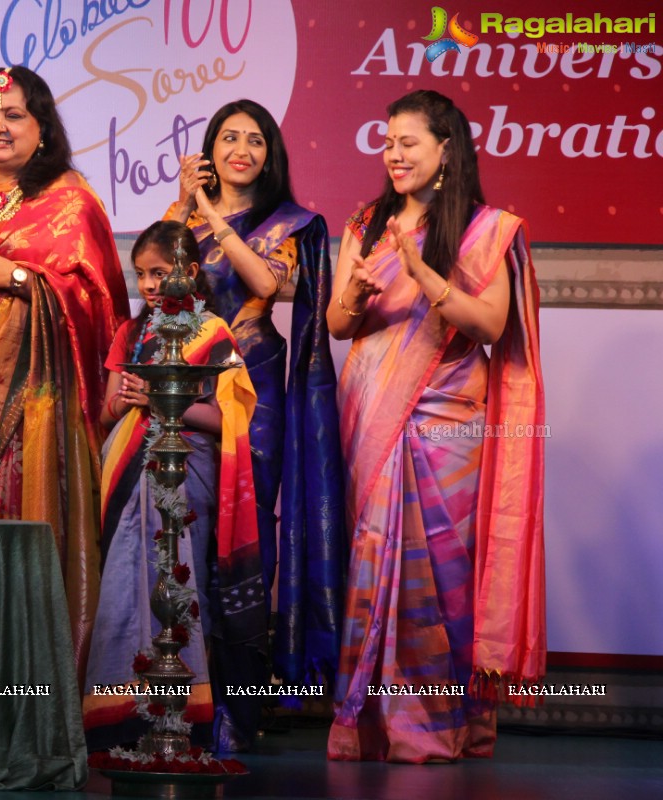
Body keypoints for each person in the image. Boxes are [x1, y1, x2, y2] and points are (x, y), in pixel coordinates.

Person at [326, 89, 546, 762]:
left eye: (408, 142)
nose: (394, 154)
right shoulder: (365, 222)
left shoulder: (487, 229)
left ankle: (439, 725)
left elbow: (491, 325)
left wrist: (423, 273)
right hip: (372, 417)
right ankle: (368, 725)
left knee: (443, 574)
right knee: (372, 558)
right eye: (388, 142)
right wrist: (355, 296)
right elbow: (337, 325)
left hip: (447, 425)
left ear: (446, 149)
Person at [0, 66, 130, 678]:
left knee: (13, 525)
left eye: (14, 115)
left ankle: (21, 679)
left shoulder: (69, 198)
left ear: (42, 130)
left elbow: (100, 303)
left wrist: (17, 278)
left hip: (29, 401)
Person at [168, 100, 346, 742]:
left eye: (255, 140)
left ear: (270, 154)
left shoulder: (289, 223)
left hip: (254, 393)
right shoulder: (182, 214)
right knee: (181, 532)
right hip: (186, 385)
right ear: (210, 149)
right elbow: (160, 290)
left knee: (243, 543)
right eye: (227, 138)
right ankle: (179, 701)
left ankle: (237, 712)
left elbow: (262, 283)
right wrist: (183, 204)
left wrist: (210, 213)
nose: (240, 149)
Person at [81, 220, 258, 750]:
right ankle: (121, 716)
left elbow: (229, 417)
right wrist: (130, 400)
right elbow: (109, 411)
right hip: (129, 467)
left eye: (160, 272)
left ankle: (183, 717)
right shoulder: (130, 334)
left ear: (190, 272)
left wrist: (166, 403)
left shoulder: (215, 334)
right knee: (122, 584)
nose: (151, 285)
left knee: (181, 586)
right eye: (142, 275)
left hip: (188, 472)